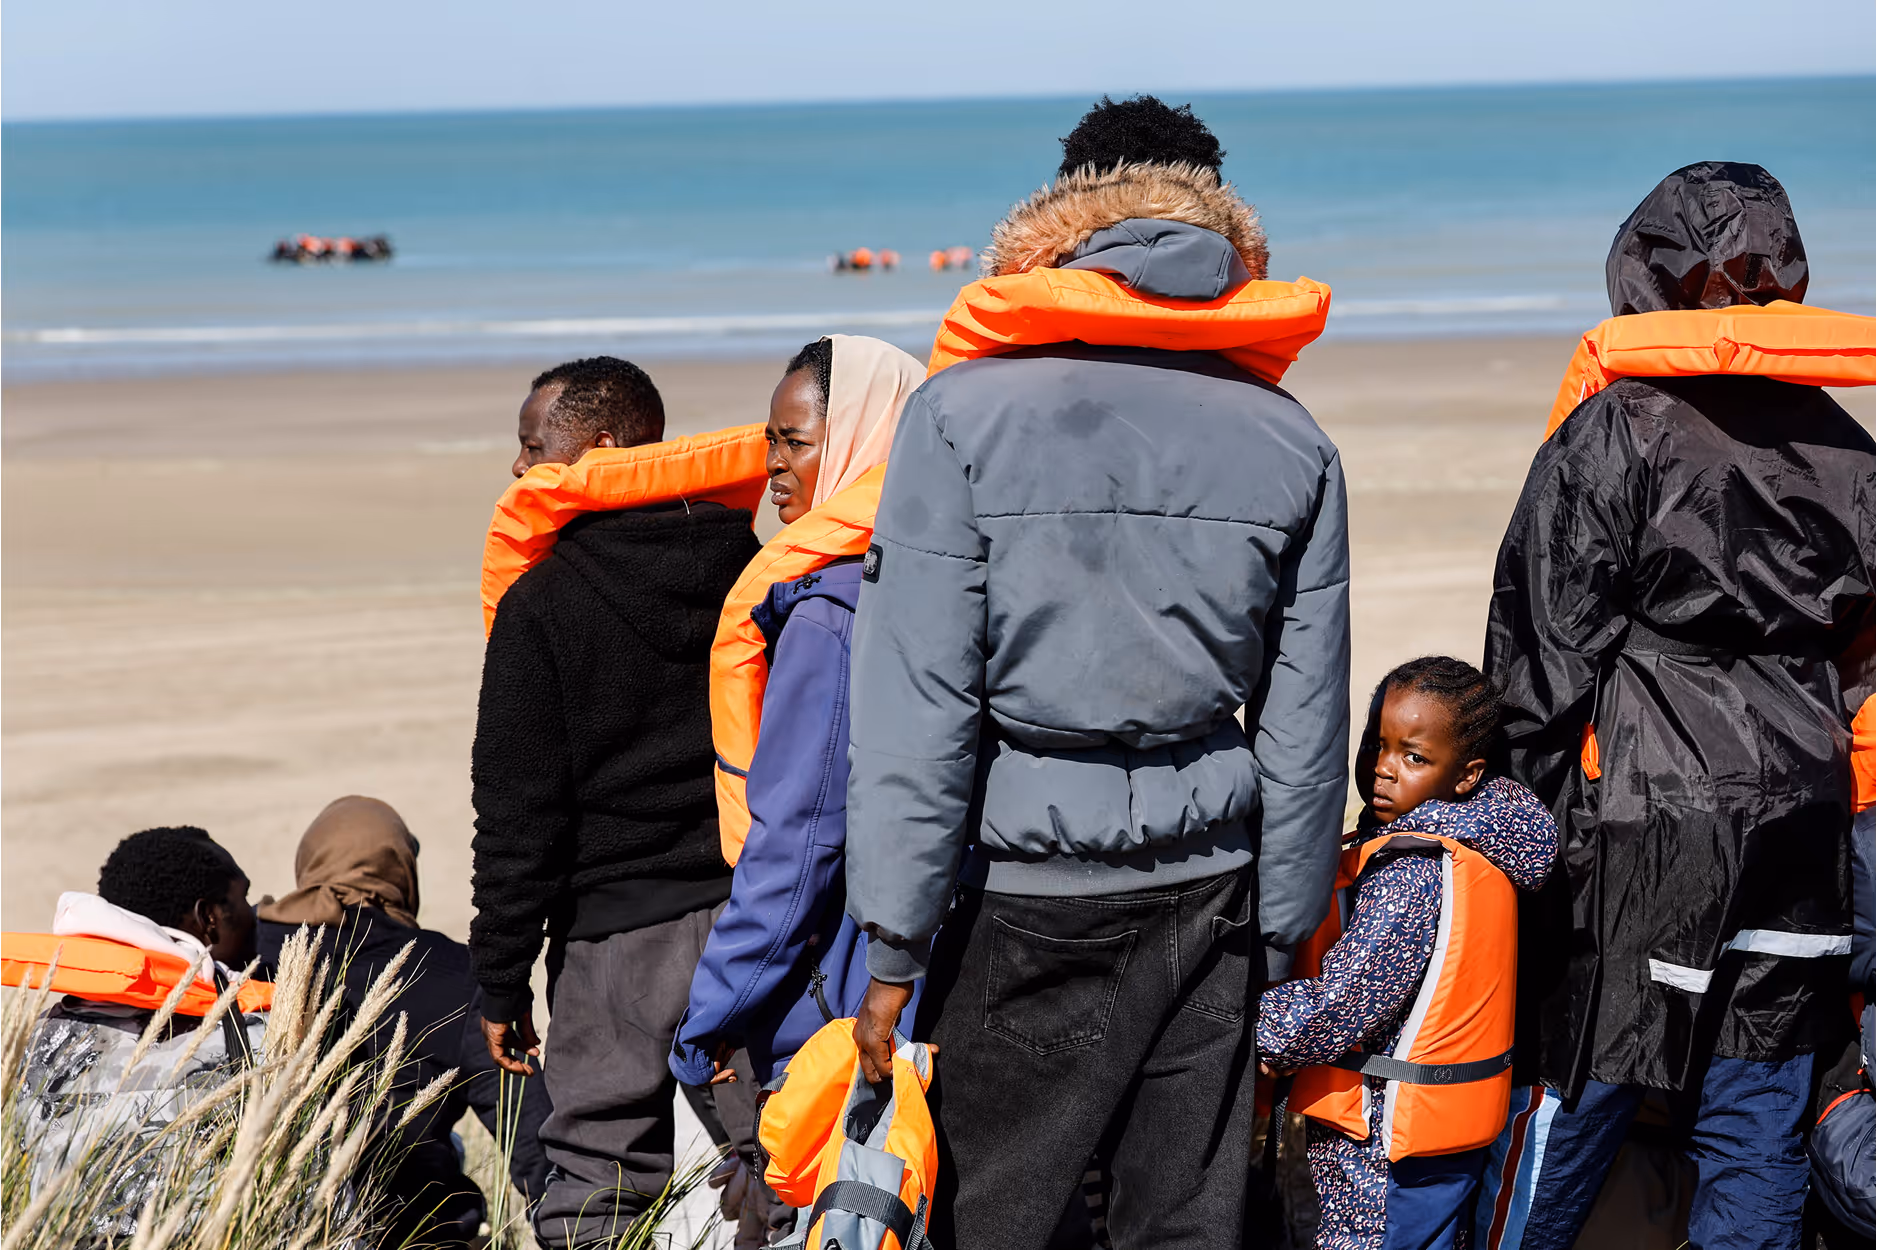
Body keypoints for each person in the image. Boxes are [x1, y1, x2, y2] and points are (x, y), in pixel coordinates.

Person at [842, 95, 1349, 1247]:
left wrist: (892, 947)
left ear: (1059, 219)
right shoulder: (1288, 433)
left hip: (1028, 890)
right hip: (1214, 892)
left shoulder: (958, 415)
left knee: (995, 1218)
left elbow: (918, 705)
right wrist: (1280, 933)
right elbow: (1304, 718)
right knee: (1183, 1226)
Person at [1477, 163, 1876, 1249]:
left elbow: (1540, 647)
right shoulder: (1846, 446)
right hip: (1801, 796)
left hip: (1650, 809)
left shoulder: (1617, 429)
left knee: (1587, 1082)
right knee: (1757, 1099)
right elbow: (1862, 648)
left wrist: (1529, 827)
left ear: (1645, 271)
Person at [470, 355, 766, 1249]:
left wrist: (500, 977)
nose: (519, 466)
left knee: (597, 1189)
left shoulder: (542, 601)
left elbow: (517, 814)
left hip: (612, 943)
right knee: (781, 1160)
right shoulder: (752, 566)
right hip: (750, 918)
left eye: (533, 446)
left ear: (600, 446)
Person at [671, 334, 925, 1091]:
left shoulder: (827, 617)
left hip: (846, 1004)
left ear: (860, 442)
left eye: (796, 442)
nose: (773, 465)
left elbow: (798, 841)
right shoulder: (951, 575)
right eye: (769, 442)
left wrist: (710, 1017)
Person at [1259, 658, 1557, 1250]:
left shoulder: (1412, 872)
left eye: (1414, 757)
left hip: (1382, 1148)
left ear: (1467, 775)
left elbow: (1345, 1002)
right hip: (1435, 1137)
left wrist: (1254, 1031)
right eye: (1378, 745)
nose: (1383, 769)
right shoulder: (1482, 841)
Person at [255, 796, 553, 1250]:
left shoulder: (247, 951)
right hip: (417, 1235)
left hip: (270, 1229)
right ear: (401, 872)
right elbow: (534, 1142)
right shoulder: (456, 973)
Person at [4, 827, 267, 1235]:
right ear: (209, 919)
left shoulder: (36, 1040)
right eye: (243, 898)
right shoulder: (254, 1035)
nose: (255, 914)